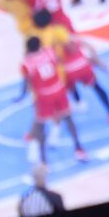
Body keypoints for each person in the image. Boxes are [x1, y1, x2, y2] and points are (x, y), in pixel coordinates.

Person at [20, 38, 86, 166]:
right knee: (68, 119)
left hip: (44, 95)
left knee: (40, 126)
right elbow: (59, 61)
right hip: (59, 90)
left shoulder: (26, 63)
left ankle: (44, 160)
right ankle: (79, 149)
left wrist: (22, 95)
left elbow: (27, 82)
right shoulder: (49, 52)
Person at [57, 32, 109, 123]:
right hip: (82, 68)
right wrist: (96, 59)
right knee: (97, 88)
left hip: (70, 71)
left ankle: (78, 102)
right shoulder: (73, 41)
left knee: (70, 86)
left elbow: (55, 61)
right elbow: (89, 47)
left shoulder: (56, 45)